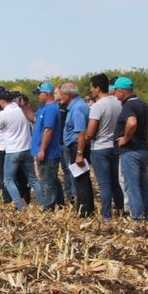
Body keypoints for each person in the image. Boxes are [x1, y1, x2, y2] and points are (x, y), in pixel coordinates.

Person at [113, 77, 148, 222]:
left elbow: (132, 122)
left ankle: (137, 217)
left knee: (132, 186)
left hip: (130, 151)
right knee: (143, 184)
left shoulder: (128, 106)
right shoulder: (142, 103)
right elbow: (147, 125)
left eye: (115, 90)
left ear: (122, 92)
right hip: (143, 149)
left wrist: (125, 138)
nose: (114, 94)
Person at [0, 91, 43, 211]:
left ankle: (20, 206)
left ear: (2, 102)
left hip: (13, 150)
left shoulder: (4, 113)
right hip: (26, 149)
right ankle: (42, 204)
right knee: (33, 179)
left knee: (8, 180)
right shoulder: (21, 110)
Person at [86, 73, 124, 221]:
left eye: (92, 87)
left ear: (97, 88)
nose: (91, 90)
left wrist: (88, 137)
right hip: (115, 146)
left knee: (104, 184)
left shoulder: (97, 106)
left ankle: (106, 215)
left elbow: (90, 131)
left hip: (100, 147)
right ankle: (120, 211)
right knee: (116, 182)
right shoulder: (118, 102)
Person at [60, 82, 94, 217]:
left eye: (62, 95)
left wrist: (79, 153)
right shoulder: (77, 106)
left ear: (68, 95)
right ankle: (88, 208)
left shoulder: (78, 108)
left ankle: (84, 210)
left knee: (80, 180)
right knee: (83, 178)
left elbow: (81, 133)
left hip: (77, 147)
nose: (61, 97)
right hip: (76, 146)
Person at [31, 82, 63, 210]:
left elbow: (48, 130)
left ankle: (49, 206)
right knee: (52, 179)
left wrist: (42, 150)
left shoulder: (51, 109)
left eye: (39, 93)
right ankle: (60, 203)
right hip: (44, 151)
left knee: (47, 181)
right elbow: (34, 120)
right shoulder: (43, 109)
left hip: (49, 152)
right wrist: (24, 107)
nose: (38, 96)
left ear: (46, 94)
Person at [54, 86, 77, 202]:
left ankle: (74, 192)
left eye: (56, 93)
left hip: (67, 143)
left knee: (70, 168)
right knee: (65, 170)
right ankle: (68, 192)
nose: (55, 95)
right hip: (61, 142)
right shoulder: (59, 107)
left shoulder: (67, 108)